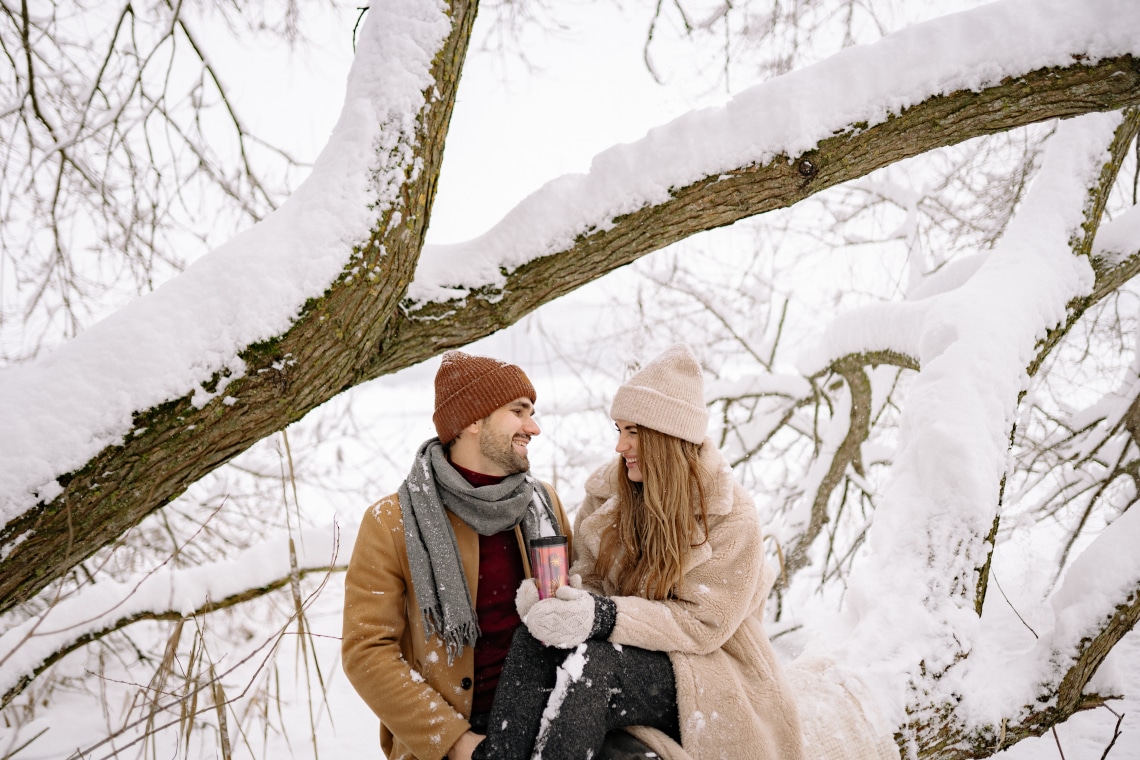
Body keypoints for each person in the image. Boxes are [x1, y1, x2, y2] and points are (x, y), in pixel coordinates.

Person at [471, 344, 806, 760]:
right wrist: (557, 603)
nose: (620, 446)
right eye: (619, 430)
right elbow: (589, 583)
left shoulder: (731, 514)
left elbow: (704, 625)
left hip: (704, 670)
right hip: (624, 649)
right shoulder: (606, 496)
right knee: (533, 639)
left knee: (594, 664)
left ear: (667, 438)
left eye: (634, 432)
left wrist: (604, 616)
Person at [342, 351, 573, 760]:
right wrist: (457, 744)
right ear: (472, 420)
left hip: (546, 727)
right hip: (457, 743)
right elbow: (367, 652)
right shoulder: (392, 522)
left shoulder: (543, 504)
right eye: (518, 411)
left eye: (532, 413)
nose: (533, 427)